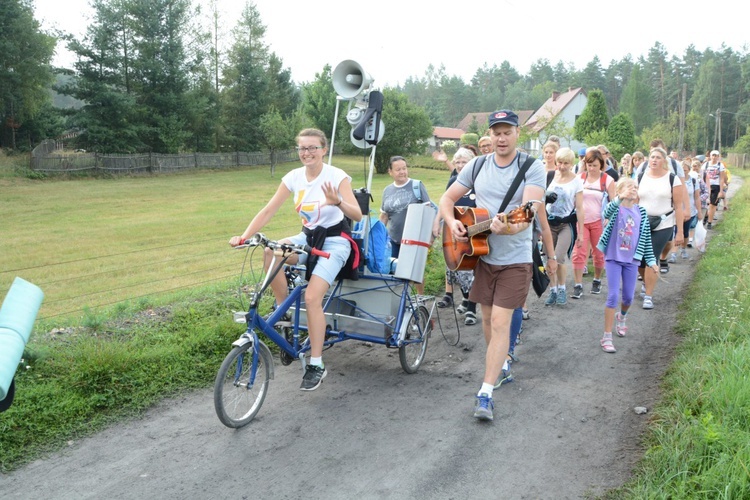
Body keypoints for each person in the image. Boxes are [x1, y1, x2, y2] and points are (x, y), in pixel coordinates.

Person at [229, 128, 362, 391]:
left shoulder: (337, 176)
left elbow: (356, 214)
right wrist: (244, 237)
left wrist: (338, 203)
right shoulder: (293, 177)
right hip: (307, 238)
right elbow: (269, 209)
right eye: (302, 148)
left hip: (336, 242)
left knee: (312, 298)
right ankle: (286, 317)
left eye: (313, 147)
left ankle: (316, 364)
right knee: (270, 250)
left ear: (324, 149)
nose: (307, 153)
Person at [439, 110, 546, 421]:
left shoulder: (532, 167)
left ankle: (485, 392)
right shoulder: (478, 164)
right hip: (482, 256)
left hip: (515, 260)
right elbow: (447, 199)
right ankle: (501, 366)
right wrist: (453, 223)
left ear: (516, 134)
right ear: (490, 134)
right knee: (487, 322)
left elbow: (527, 215)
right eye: (496, 132)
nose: (501, 137)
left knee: (500, 323)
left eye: (507, 132)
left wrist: (508, 227)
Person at [596, 178, 659, 352]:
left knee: (629, 297)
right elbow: (606, 213)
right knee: (613, 295)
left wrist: (652, 261)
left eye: (635, 188)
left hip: (632, 260)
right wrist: (618, 198)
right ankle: (607, 336)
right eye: (629, 187)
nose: (633, 190)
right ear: (620, 190)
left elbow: (645, 239)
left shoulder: (642, 212)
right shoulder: (615, 209)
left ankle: (621, 316)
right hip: (613, 258)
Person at [380, 155, 439, 294]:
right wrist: (380, 237)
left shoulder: (417, 185)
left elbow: (428, 211)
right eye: (398, 169)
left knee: (415, 272)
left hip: (415, 239)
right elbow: (384, 216)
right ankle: (399, 302)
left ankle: (420, 301)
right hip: (394, 239)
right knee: (393, 271)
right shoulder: (387, 191)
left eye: (404, 168)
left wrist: (430, 236)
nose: (402, 172)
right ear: (390, 172)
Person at [636, 147, 684, 310]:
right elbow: (634, 201)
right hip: (642, 223)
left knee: (651, 257)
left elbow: (678, 206)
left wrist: (680, 232)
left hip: (664, 224)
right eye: (652, 157)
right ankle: (645, 282)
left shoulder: (672, 179)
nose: (654, 160)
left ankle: (648, 296)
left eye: (658, 157)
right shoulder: (641, 176)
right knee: (639, 260)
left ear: (664, 161)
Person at [436, 148, 480, 325]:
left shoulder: (479, 181)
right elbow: (445, 203)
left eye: (464, 162)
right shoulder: (454, 181)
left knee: (473, 271)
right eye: (458, 162)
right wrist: (437, 222)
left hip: (477, 232)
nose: (461, 166)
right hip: (456, 231)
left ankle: (472, 309)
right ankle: (466, 298)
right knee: (459, 269)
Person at [571, 149, 615, 299]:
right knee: (579, 252)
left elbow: (614, 203)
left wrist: (610, 218)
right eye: (589, 165)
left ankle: (596, 280)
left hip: (599, 221)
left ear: (601, 165)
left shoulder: (607, 180)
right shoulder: (579, 179)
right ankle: (578, 284)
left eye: (595, 165)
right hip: (582, 220)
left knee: (598, 253)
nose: (592, 168)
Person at [544, 147, 585, 306]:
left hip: (565, 224)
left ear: (571, 163)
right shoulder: (549, 176)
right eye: (559, 162)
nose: (562, 166)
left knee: (559, 257)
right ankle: (552, 290)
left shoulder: (577, 181)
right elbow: (539, 199)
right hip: (548, 223)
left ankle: (562, 289)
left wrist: (581, 233)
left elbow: (580, 207)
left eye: (566, 163)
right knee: (548, 258)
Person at [701, 150, 727, 229]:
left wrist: (721, 190)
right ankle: (706, 216)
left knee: (713, 204)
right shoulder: (705, 165)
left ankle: (709, 222)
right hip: (706, 186)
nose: (714, 157)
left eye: (716, 156)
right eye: (713, 155)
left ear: (718, 157)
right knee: (705, 204)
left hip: (716, 186)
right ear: (710, 156)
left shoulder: (720, 165)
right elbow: (702, 176)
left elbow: (722, 179)